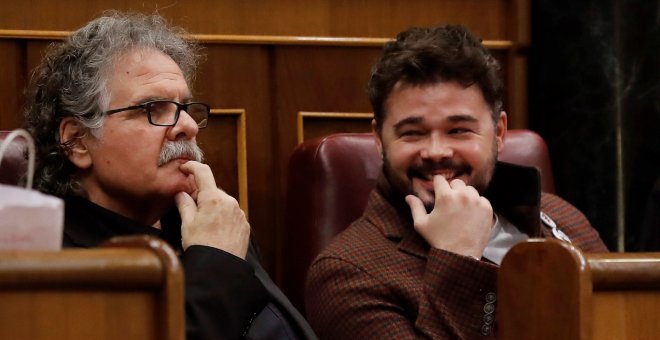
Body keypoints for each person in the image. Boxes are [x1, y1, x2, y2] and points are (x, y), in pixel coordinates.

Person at [23, 12, 316, 340]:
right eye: (153, 108)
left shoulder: (210, 221)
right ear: (77, 141)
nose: (188, 126)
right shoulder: (46, 262)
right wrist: (217, 264)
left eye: (185, 107)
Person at [304, 24, 608, 339]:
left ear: (500, 133)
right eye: (412, 133)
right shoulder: (345, 273)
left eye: (458, 130)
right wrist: (458, 259)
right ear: (380, 140)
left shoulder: (563, 218)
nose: (436, 152)